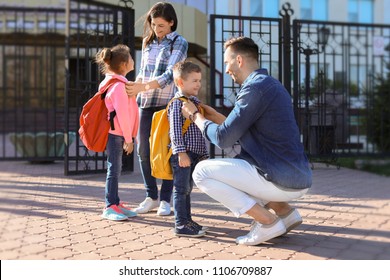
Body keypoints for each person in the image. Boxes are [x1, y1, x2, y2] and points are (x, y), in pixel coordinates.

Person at [182, 36, 312, 245]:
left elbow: (224, 139)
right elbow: (238, 131)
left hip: (280, 178)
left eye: (227, 63)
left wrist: (195, 117)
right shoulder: (270, 85)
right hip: (297, 176)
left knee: (202, 172)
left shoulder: (254, 89)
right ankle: (286, 213)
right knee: (240, 167)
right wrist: (214, 116)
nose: (226, 70)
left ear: (239, 60)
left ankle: (267, 222)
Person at [126, 2, 188, 216]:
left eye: (161, 25)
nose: (157, 29)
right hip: (145, 103)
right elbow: (144, 70)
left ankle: (165, 200)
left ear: (171, 22)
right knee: (144, 150)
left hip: (166, 103)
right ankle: (151, 196)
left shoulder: (179, 42)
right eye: (154, 25)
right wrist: (135, 88)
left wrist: (144, 86)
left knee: (165, 150)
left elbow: (171, 73)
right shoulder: (147, 42)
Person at [95, 44, 139, 221]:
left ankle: (115, 202)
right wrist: (128, 139)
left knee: (116, 168)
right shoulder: (118, 87)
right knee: (113, 169)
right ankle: (109, 206)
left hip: (117, 132)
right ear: (124, 64)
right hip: (116, 134)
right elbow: (122, 115)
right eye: (131, 57)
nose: (133, 60)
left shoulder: (115, 83)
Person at [169, 61, 209, 237]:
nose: (198, 84)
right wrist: (181, 152)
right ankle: (180, 224)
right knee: (180, 189)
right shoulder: (178, 104)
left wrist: (202, 154)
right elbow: (175, 130)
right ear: (180, 83)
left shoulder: (194, 103)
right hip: (183, 154)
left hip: (192, 155)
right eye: (194, 80)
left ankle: (188, 220)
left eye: (199, 80)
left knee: (187, 189)